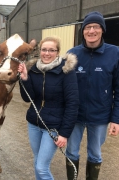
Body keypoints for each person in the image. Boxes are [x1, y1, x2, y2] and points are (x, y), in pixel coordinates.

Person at [65, 11, 119, 180]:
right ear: (83, 31)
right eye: (88, 27)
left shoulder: (115, 53)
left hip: (100, 116)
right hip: (75, 115)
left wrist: (116, 119)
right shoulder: (72, 53)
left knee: (95, 154)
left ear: (102, 30)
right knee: (72, 151)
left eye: (96, 27)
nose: (91, 31)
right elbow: (62, 86)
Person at [18, 36, 79, 180]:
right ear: (39, 51)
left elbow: (73, 103)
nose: (47, 53)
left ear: (58, 52)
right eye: (44, 49)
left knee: (41, 167)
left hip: (53, 127)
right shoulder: (33, 70)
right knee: (37, 161)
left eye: (52, 50)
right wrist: (25, 78)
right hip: (34, 124)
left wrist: (64, 133)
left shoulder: (66, 71)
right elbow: (28, 98)